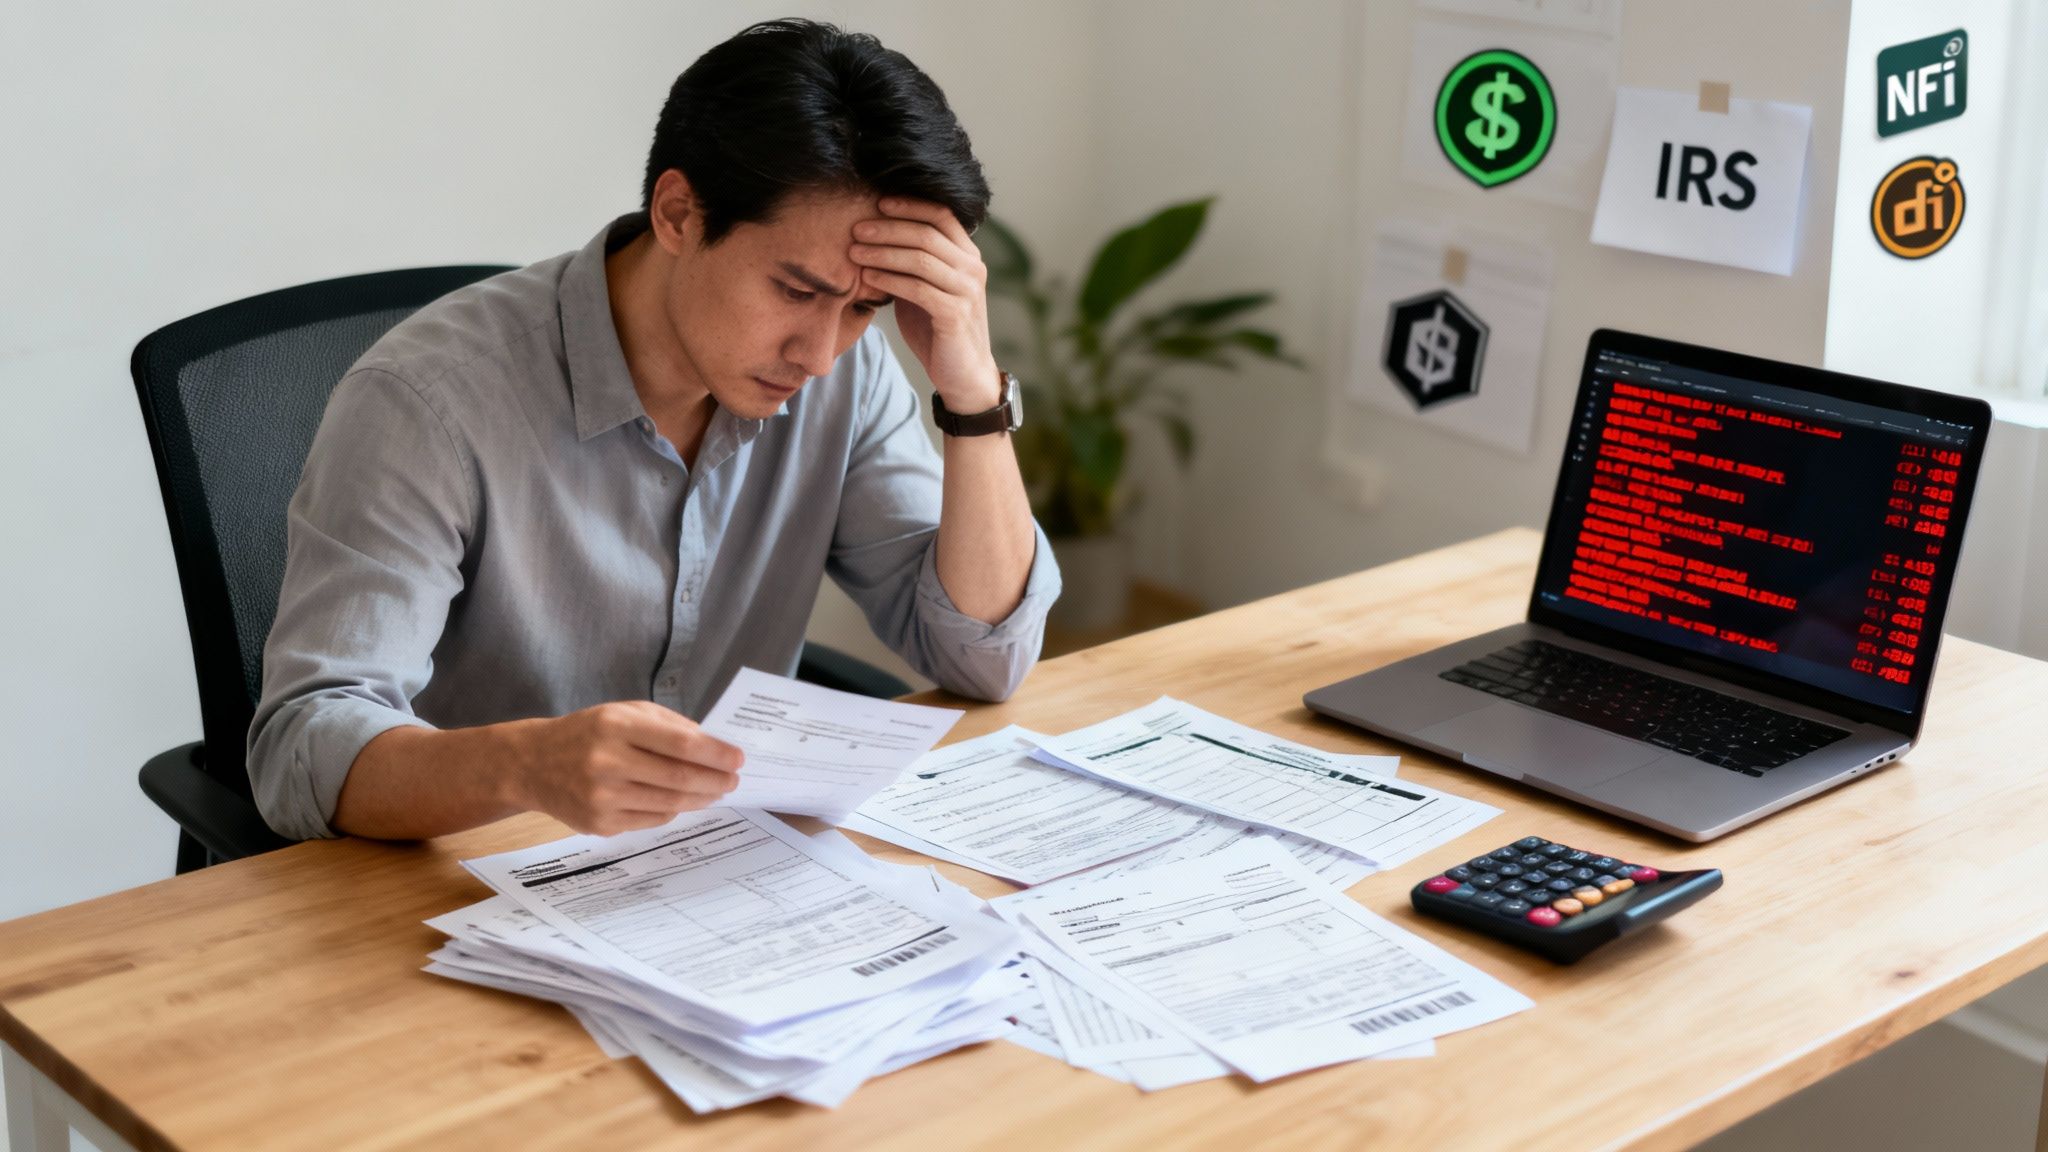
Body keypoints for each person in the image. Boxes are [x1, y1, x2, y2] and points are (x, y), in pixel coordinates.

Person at [247, 18, 1059, 843]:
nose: (819, 354)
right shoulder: (427, 401)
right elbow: (300, 753)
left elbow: (984, 661)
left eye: (864, 307)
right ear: (678, 213)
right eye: (796, 289)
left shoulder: (848, 374)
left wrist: (971, 393)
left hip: (717, 874)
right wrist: (525, 766)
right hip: (454, 885)